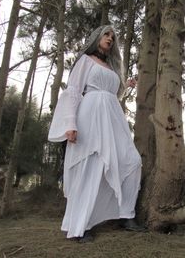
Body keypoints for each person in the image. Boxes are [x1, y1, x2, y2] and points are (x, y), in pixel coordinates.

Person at [48, 25, 143, 243]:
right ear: (97, 38)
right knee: (90, 166)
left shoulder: (111, 68)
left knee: (132, 161)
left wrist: (125, 86)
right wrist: (70, 123)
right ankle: (82, 224)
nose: (110, 38)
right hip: (90, 116)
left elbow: (112, 95)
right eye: (106, 35)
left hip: (113, 117)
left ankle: (126, 215)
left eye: (113, 36)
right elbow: (73, 91)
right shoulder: (85, 60)